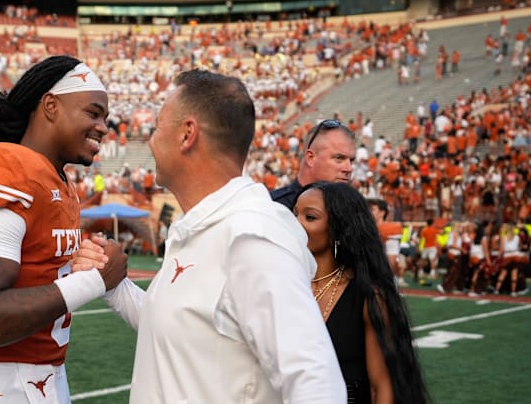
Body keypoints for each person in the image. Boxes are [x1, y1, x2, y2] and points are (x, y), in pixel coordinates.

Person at [73, 69, 346, 403]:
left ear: (188, 134)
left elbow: (317, 385)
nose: (151, 140)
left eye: (158, 127)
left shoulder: (252, 236)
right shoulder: (206, 226)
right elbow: (178, 330)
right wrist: (115, 286)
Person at [0, 55, 128, 404]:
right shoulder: (6, 168)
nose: (103, 127)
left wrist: (86, 264)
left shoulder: (56, 180)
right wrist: (93, 281)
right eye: (93, 113)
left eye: (105, 117)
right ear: (51, 106)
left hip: (43, 375)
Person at [294, 181, 429, 404]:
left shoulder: (368, 296)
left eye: (310, 217)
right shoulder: (287, 283)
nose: (296, 224)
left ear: (338, 228)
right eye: (294, 214)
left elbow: (382, 387)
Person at [271, 118, 356, 210]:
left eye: (351, 160)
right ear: (310, 158)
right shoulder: (272, 207)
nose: (349, 169)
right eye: (339, 158)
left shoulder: (350, 210)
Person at [368, 198, 406, 287]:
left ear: (382, 213)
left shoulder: (389, 229)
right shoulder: (367, 228)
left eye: (372, 209)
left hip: (382, 276)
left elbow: (391, 258)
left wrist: (384, 278)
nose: (368, 212)